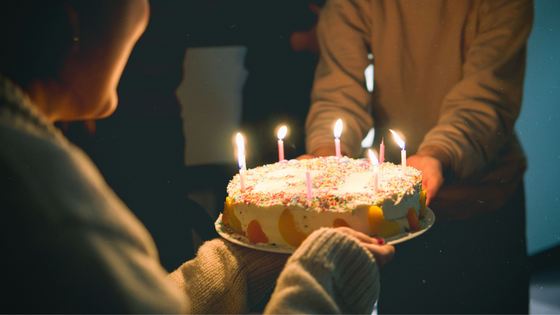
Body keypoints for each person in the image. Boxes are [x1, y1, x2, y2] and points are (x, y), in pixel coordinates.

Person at [0, 1, 394, 313]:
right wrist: (325, 273)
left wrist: (244, 262)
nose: (146, 14)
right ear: (72, 18)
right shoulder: (56, 207)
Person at [303, 0, 533, 313]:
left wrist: (438, 154)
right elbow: (339, 92)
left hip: (484, 203)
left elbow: (487, 96)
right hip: (397, 217)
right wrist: (328, 156)